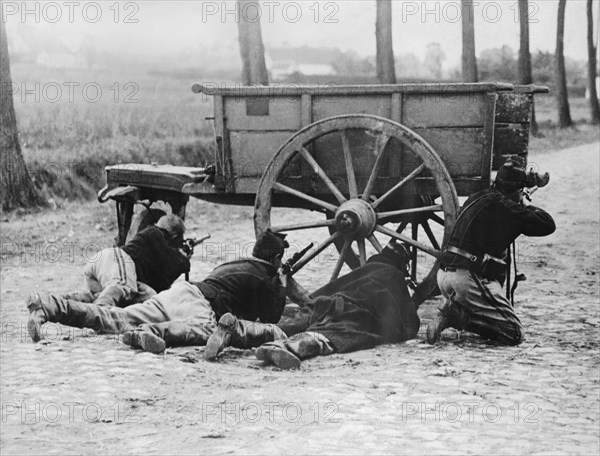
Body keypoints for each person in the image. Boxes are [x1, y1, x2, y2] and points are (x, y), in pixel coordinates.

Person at [26, 230, 289, 352]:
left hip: (178, 293)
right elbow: (272, 316)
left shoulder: (235, 264)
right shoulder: (263, 276)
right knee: (209, 332)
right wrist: (283, 282)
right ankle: (148, 332)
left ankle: (48, 306)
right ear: (276, 258)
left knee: (115, 318)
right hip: (201, 305)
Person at [204, 242, 421, 369]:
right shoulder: (393, 274)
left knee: (284, 329)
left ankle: (238, 330)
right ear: (401, 265)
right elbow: (410, 324)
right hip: (350, 313)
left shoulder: (364, 270)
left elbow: (326, 290)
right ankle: (284, 348)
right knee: (331, 336)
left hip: (322, 305)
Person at [426, 159, 555, 346]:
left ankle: (457, 307)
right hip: (465, 279)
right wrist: (524, 203)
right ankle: (457, 317)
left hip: (444, 276)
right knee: (514, 334)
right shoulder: (507, 207)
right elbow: (547, 225)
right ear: (518, 191)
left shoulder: (478, 197)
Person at [58, 214, 191, 308]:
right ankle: (98, 316)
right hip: (117, 259)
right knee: (122, 288)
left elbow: (161, 282)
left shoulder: (152, 241)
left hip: (105, 268)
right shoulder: (155, 233)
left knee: (148, 297)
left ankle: (61, 303)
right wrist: (184, 257)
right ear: (173, 236)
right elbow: (173, 262)